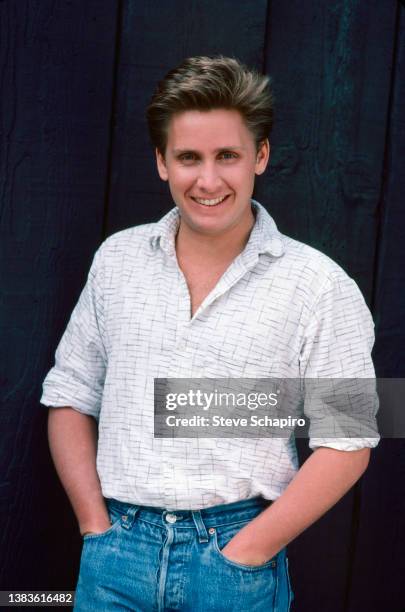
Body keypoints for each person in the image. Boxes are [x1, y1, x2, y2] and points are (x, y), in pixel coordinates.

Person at [41, 56, 379, 611]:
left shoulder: (319, 285)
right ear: (161, 163)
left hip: (235, 562)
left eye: (228, 156)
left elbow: (348, 440)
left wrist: (246, 551)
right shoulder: (117, 261)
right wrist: (94, 528)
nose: (208, 180)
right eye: (188, 158)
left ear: (260, 157)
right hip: (114, 555)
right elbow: (70, 397)